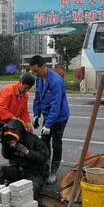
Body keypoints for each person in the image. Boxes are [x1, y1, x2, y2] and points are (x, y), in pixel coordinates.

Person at [0, 73, 35, 175]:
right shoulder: (8, 90)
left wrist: (28, 125)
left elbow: (24, 112)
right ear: (20, 82)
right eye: (26, 87)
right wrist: (17, 121)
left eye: (29, 89)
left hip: (7, 121)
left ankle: (12, 164)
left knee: (11, 142)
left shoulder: (24, 96)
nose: (26, 90)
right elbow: (2, 110)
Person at [29, 55, 70, 185]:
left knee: (56, 143)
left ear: (44, 66)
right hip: (48, 116)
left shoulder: (56, 81)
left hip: (59, 118)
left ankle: (53, 171)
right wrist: (36, 114)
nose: (35, 74)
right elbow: (37, 98)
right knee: (44, 141)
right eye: (33, 71)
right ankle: (45, 166)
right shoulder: (39, 80)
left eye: (37, 71)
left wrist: (48, 124)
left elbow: (55, 105)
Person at [0, 119, 49, 198]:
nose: (12, 143)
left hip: (33, 173)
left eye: (14, 141)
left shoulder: (33, 140)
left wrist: (27, 152)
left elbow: (44, 158)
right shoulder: (8, 140)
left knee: (33, 188)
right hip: (18, 170)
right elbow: (6, 156)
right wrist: (7, 147)